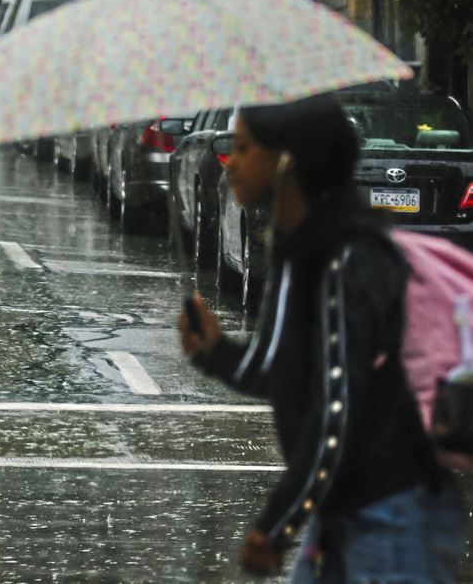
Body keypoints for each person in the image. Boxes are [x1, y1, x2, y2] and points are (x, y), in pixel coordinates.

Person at [177, 95, 465, 581]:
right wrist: (214, 352)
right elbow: (277, 370)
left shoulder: (343, 260)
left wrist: (277, 525)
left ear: (287, 160)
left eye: (245, 149)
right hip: (347, 512)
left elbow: (337, 411)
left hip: (393, 517)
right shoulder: (299, 248)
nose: (231, 165)